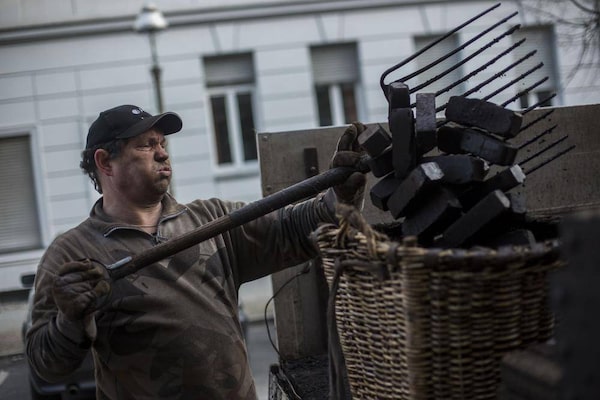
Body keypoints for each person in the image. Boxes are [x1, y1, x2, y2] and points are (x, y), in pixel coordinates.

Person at [26, 104, 366, 400]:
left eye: (162, 143)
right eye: (146, 145)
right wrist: (71, 320)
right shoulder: (73, 254)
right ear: (105, 162)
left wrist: (340, 198)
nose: (162, 153)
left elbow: (292, 229)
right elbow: (46, 365)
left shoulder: (211, 219)